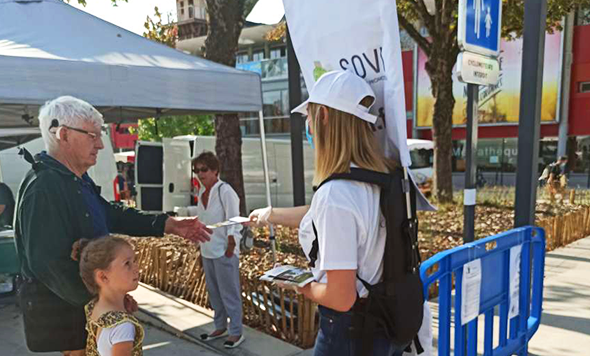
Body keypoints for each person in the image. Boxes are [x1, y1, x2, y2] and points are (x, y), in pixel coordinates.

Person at [14, 96, 212, 356]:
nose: (100, 145)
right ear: (63, 134)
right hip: (69, 318)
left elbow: (109, 213)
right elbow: (47, 263)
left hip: (83, 312)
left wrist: (167, 223)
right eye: (92, 136)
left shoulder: (73, 179)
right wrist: (101, 304)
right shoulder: (44, 186)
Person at [249, 70, 409, 356]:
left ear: (323, 115)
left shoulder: (336, 194)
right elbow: (327, 215)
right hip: (384, 323)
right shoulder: (381, 175)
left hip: (347, 333)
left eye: (308, 116)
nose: (307, 125)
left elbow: (340, 296)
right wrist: (271, 214)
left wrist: (299, 285)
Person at [192, 151, 245, 349]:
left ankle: (236, 331)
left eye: (204, 169)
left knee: (229, 292)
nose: (200, 173)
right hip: (207, 248)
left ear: (215, 170)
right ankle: (220, 326)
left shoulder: (225, 190)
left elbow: (234, 218)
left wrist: (231, 244)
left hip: (224, 249)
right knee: (214, 292)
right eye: (196, 170)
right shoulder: (201, 193)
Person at [73, 236, 143, 356]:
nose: (136, 268)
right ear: (103, 277)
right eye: (127, 263)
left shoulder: (93, 306)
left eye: (134, 261)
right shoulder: (123, 326)